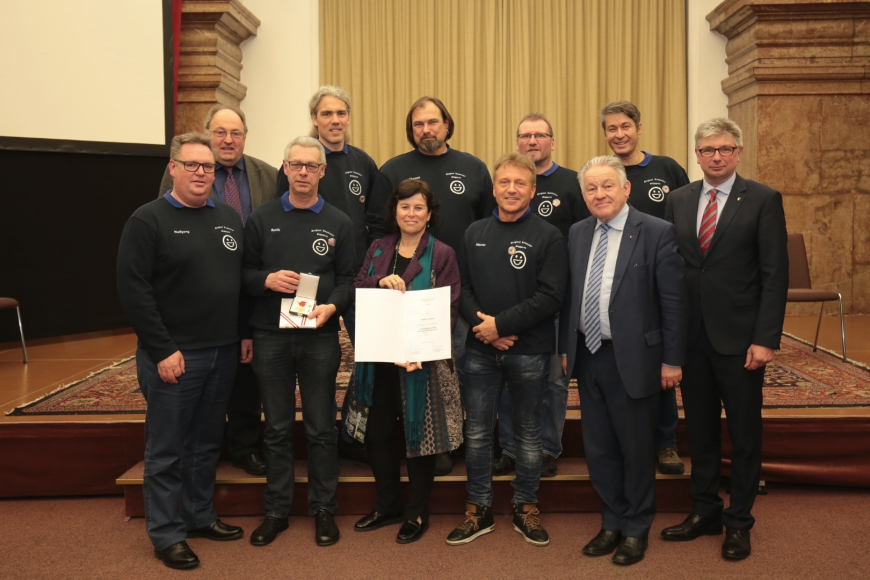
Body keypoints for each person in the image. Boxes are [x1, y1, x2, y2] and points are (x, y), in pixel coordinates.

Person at [661, 118, 788, 560]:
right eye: (708, 150)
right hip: (692, 338)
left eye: (725, 149)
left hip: (741, 341)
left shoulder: (763, 199)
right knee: (699, 432)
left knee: (744, 435)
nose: (716, 156)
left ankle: (739, 521)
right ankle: (705, 511)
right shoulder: (678, 200)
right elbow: (671, 270)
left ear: (738, 152)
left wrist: (765, 338)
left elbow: (775, 275)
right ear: (696, 155)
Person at [119, 132, 247, 570]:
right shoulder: (147, 220)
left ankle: (198, 515)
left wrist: (242, 334)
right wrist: (162, 349)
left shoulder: (228, 217)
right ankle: (166, 534)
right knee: (167, 449)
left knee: (206, 443)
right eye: (191, 165)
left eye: (207, 166)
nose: (200, 173)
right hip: (175, 357)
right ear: (173, 168)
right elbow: (134, 291)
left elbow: (236, 282)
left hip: (222, 352)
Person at [560, 155, 687, 566]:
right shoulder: (578, 232)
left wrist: (672, 360)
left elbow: (674, 303)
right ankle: (611, 522)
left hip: (635, 359)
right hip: (589, 355)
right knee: (599, 449)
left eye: (607, 186)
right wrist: (565, 349)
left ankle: (636, 527)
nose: (600, 194)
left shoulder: (656, 232)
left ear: (626, 188)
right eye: (591, 188)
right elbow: (570, 297)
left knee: (635, 449)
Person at [447, 153, 567, 547]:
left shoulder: (549, 235)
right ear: (494, 189)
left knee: (529, 434)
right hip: (479, 351)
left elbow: (550, 296)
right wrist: (487, 331)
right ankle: (478, 508)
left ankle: (525, 505)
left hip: (530, 352)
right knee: (478, 433)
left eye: (520, 183)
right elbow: (461, 288)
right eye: (504, 182)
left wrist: (501, 326)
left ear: (533, 190)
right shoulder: (474, 232)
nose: (511, 189)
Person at [242, 136, 355, 548]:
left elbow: (348, 279)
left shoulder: (340, 222)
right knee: (275, 428)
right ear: (285, 168)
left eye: (311, 165)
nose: (303, 172)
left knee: (322, 428)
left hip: (319, 337)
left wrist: (333, 307)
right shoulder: (262, 217)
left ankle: (324, 508)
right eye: (296, 164)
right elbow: (243, 274)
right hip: (270, 336)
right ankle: (276, 510)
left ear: (323, 171)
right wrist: (266, 280)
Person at [158, 104, 278, 477]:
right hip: (197, 291)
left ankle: (244, 445)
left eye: (236, 133)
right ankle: (195, 448)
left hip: (252, 289)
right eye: (220, 132)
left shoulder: (268, 175)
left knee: (246, 373)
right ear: (208, 134)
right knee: (201, 374)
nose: (228, 140)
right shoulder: (180, 173)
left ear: (245, 137)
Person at [380, 96, 495, 475]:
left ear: (447, 124)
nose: (426, 129)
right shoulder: (393, 169)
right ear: (410, 130)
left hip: (458, 290)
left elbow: (488, 226)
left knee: (454, 368)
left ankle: (451, 440)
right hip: (404, 291)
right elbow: (379, 228)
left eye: (433, 122)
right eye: (418, 124)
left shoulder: (473, 168)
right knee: (409, 367)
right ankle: (416, 440)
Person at [346, 179, 464, 544]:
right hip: (379, 357)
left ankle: (417, 513)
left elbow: (449, 308)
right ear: (394, 211)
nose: (410, 214)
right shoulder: (379, 248)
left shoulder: (442, 253)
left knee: (418, 438)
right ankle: (387, 505)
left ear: (429, 214)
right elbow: (356, 288)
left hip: (419, 363)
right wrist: (380, 282)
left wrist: (419, 351)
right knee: (377, 433)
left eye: (418, 208)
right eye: (404, 206)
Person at [494, 113, 590, 478]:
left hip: (556, 300)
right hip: (511, 302)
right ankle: (509, 448)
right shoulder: (508, 185)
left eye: (539, 135)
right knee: (508, 380)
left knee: (553, 380)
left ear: (552, 141)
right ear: (517, 142)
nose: (532, 141)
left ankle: (548, 448)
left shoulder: (571, 183)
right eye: (525, 136)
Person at [601, 100, 691, 476]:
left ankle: (666, 442)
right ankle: (624, 441)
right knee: (624, 369)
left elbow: (687, 217)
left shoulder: (667, 168)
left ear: (639, 128)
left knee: (661, 364)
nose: (619, 134)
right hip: (618, 288)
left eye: (625, 126)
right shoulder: (604, 173)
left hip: (660, 283)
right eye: (611, 128)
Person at [275, 86, 392, 344]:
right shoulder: (298, 164)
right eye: (326, 114)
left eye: (341, 113)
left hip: (357, 273)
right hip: (310, 276)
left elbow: (377, 220)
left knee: (372, 346)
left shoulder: (363, 162)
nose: (335, 120)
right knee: (309, 349)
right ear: (314, 119)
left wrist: (375, 265)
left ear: (348, 117)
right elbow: (282, 216)